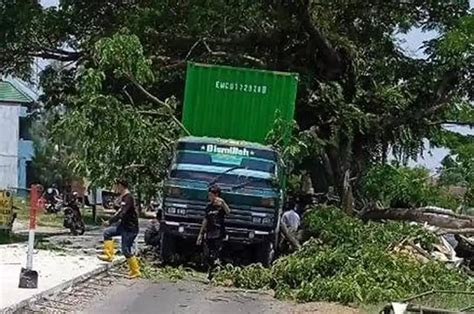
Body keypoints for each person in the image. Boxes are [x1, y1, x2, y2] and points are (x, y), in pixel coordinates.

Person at [98, 179, 141, 278]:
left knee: (126, 250)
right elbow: (119, 211)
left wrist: (109, 221)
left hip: (130, 228)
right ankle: (109, 256)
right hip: (123, 226)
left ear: (121, 186)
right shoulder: (123, 197)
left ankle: (135, 271)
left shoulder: (128, 198)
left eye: (117, 186)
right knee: (107, 233)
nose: (115, 188)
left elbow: (122, 213)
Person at [196, 185, 230, 281]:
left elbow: (228, 212)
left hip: (219, 233)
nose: (209, 197)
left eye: (211, 195)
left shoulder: (221, 207)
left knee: (216, 254)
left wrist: (223, 203)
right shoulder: (208, 207)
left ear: (216, 195)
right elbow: (205, 220)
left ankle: (214, 274)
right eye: (209, 196)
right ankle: (211, 269)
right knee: (207, 255)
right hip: (209, 233)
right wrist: (200, 234)